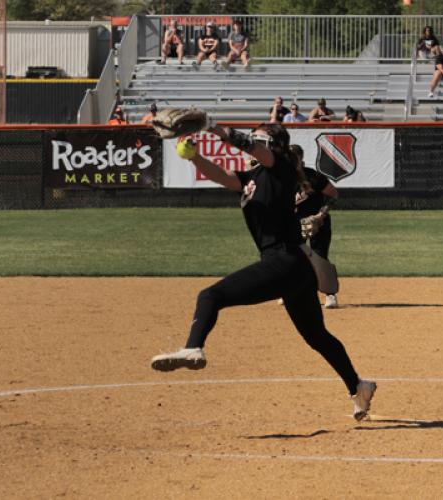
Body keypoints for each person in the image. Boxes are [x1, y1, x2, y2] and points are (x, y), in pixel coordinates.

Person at [151, 121, 377, 422]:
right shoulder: (254, 176)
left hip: (283, 261)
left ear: (275, 147)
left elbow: (255, 148)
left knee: (210, 296)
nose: (254, 144)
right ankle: (359, 386)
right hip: (295, 268)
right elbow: (222, 177)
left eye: (261, 140)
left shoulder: (280, 167)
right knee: (316, 335)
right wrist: (194, 156)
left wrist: (215, 128)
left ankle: (193, 347)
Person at [290, 144, 339, 309]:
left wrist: (320, 216)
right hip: (294, 225)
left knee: (320, 258)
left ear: (301, 158)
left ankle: (330, 294)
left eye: (294, 157)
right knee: (291, 258)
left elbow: (333, 195)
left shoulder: (313, 177)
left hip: (319, 223)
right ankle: (291, 292)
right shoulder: (281, 178)